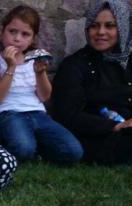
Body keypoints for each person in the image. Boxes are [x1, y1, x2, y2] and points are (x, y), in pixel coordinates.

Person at [0, 5, 83, 163]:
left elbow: (44, 96)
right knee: (24, 149)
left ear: (32, 39)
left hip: (38, 114)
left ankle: (36, 150)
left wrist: (40, 73)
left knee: (74, 151)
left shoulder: (33, 60)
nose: (17, 38)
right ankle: (15, 148)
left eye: (25, 34)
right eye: (12, 31)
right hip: (10, 114)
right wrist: (11, 67)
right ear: (2, 32)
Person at [51, 0, 132, 164]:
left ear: (123, 28)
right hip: (99, 138)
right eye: (94, 26)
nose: (100, 32)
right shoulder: (74, 65)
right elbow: (67, 115)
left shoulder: (129, 62)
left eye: (109, 26)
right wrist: (113, 126)